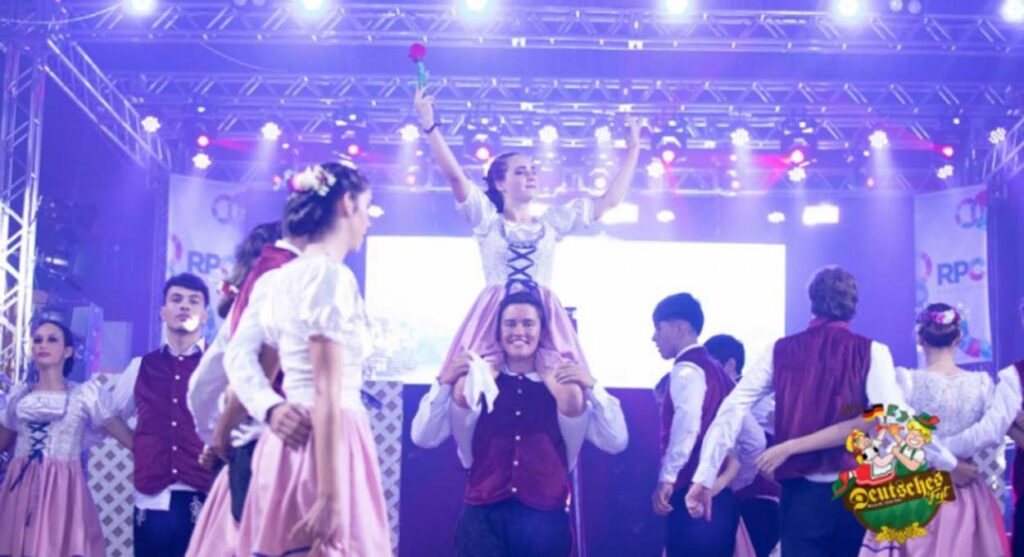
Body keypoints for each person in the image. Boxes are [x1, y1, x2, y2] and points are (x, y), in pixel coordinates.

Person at [687, 267, 960, 557]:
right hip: (854, 489)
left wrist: (704, 477)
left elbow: (733, 407)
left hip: (800, 493)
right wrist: (947, 461)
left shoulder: (780, 350)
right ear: (853, 305)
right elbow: (895, 415)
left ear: (812, 301)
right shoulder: (871, 351)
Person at [413, 87, 640, 383]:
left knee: (570, 386)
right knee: (469, 382)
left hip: (543, 317)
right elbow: (455, 176)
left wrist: (634, 150)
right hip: (493, 318)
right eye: (520, 172)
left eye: (533, 170)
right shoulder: (487, 220)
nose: (531, 175)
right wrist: (429, 125)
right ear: (501, 183)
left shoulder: (552, 223)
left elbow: (609, 201)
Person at [229, 162, 390, 556]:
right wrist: (331, 494)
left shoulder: (278, 278)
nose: (369, 221)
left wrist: (269, 408)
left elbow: (240, 357)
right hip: (327, 439)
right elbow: (325, 390)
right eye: (367, 208)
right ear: (348, 203)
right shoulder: (329, 276)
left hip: (286, 443)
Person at [185, 221, 308, 557]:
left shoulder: (250, 303)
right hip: (311, 445)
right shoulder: (309, 290)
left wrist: (217, 434)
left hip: (253, 447)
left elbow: (202, 387)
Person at [857, 303, 1013, 556]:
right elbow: (990, 435)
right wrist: (954, 463)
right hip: (966, 490)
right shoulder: (982, 385)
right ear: (959, 338)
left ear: (919, 338)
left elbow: (895, 435)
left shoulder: (905, 381)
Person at [446, 290, 588, 557]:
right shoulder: (478, 381)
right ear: (498, 331)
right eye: (510, 324)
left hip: (544, 514)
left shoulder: (564, 385)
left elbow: (614, 439)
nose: (519, 331)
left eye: (528, 323)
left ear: (542, 331)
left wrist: (592, 386)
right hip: (483, 513)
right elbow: (430, 435)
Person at [0, 319, 133, 557]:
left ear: (68, 351)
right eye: (38, 340)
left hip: (62, 487)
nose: (43, 344)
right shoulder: (18, 396)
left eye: (52, 339)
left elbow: (127, 437)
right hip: (20, 487)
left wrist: (159, 455)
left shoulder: (85, 396)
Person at [110, 273, 215, 557]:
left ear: (205, 315)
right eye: (176, 299)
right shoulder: (141, 366)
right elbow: (110, 414)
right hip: (152, 493)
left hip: (204, 490)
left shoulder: (219, 365)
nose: (185, 306)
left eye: (194, 301)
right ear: (163, 312)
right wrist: (139, 445)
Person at [650, 294, 748, 557]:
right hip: (723, 500)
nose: (654, 338)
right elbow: (754, 440)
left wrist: (668, 478)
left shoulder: (686, 370)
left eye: (658, 328)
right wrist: (726, 482)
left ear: (680, 328)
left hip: (690, 496)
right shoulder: (723, 376)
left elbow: (687, 428)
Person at [706, 334, 780, 557]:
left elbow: (756, 443)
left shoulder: (743, 396)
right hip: (761, 495)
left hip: (754, 497)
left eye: (712, 367)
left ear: (730, 365)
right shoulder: (753, 394)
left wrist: (734, 483)